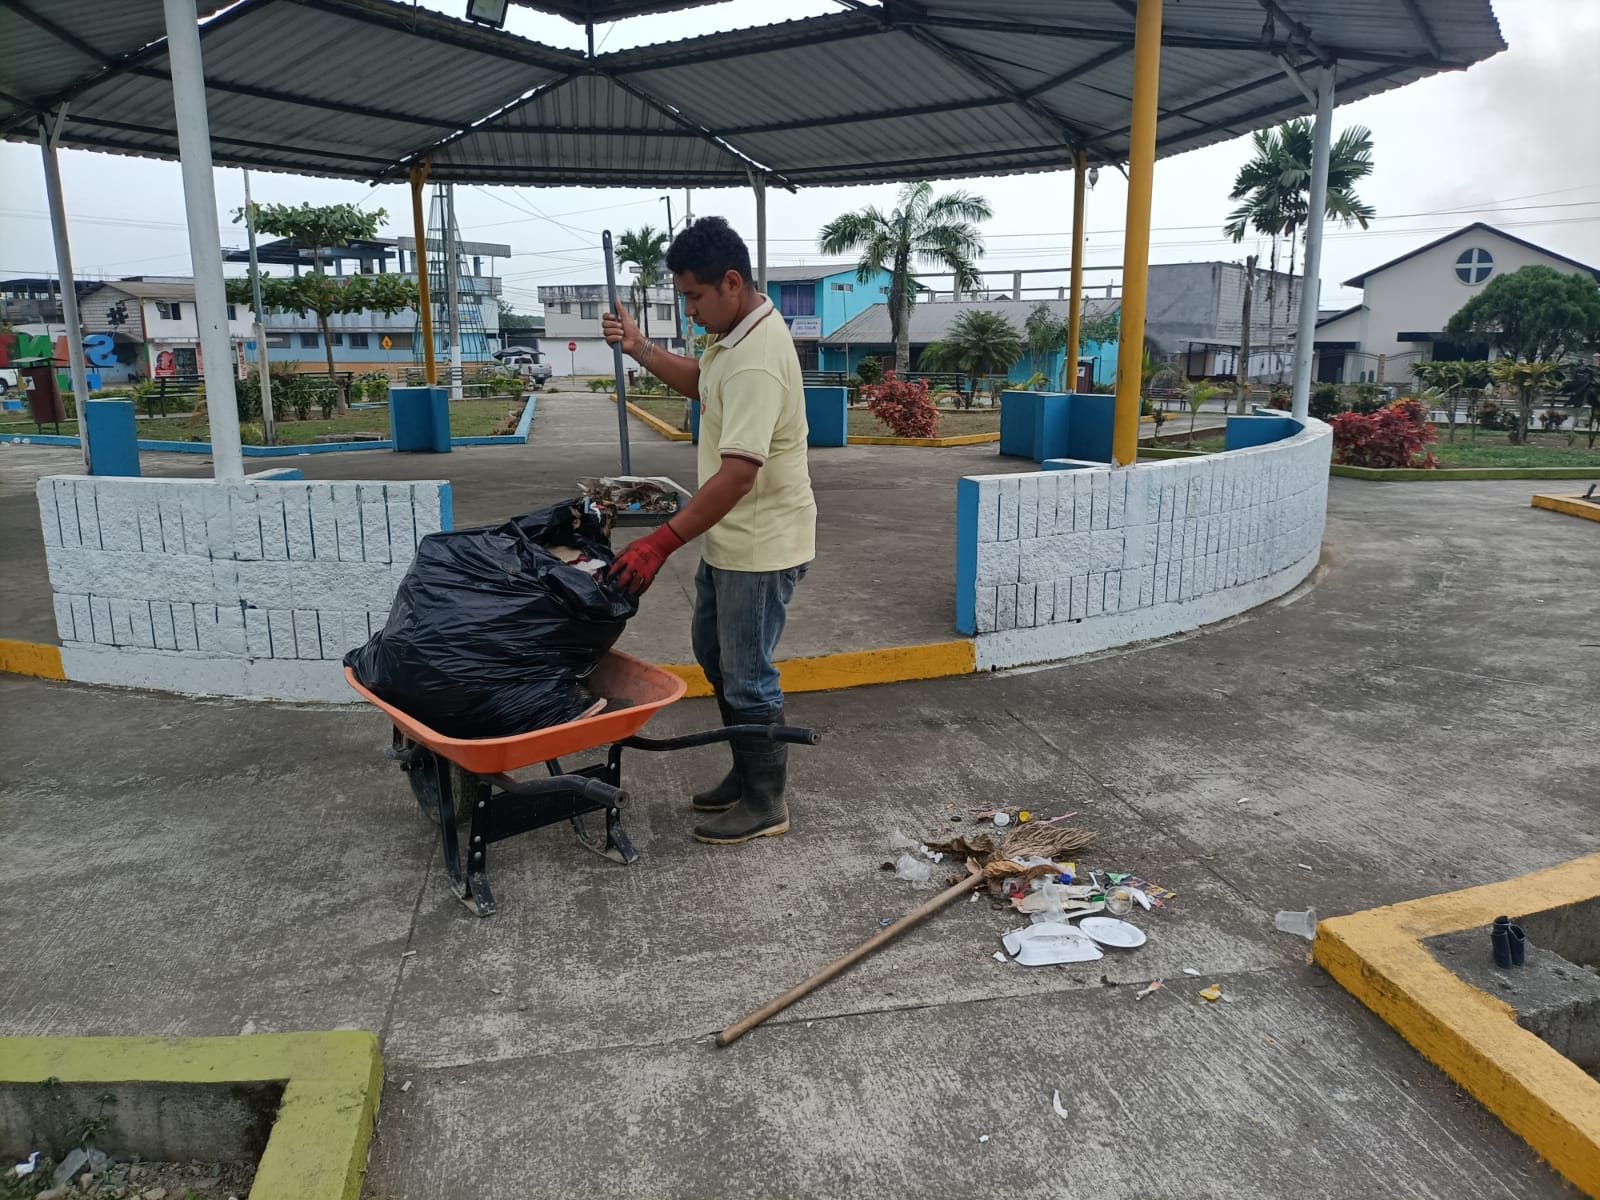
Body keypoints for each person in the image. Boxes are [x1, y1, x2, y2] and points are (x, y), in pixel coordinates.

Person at [601, 216, 816, 846]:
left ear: (731, 282)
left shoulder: (756, 360)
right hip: (733, 537)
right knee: (715, 654)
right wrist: (640, 349)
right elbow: (703, 384)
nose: (690, 310)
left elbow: (738, 476)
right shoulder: (733, 340)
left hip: (761, 543)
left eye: (694, 296)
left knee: (746, 672)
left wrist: (659, 541)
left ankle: (766, 801)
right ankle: (746, 773)